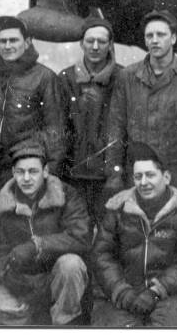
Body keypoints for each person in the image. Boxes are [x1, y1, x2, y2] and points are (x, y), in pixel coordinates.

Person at [92, 143, 177, 327]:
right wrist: (122, 292)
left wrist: (156, 290)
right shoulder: (118, 209)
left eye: (150, 175)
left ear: (167, 177)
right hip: (127, 292)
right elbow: (102, 255)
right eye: (138, 177)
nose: (144, 182)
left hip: (171, 294)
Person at [105, 9, 177, 202]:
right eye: (149, 36)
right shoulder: (128, 77)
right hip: (139, 175)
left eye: (161, 35)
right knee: (137, 228)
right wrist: (114, 175)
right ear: (145, 40)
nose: (155, 40)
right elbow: (116, 128)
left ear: (173, 38)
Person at [0, 139, 92, 325]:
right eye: (20, 172)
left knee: (71, 265)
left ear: (46, 172)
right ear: (13, 173)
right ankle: (38, 319)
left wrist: (38, 245)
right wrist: (7, 276)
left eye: (33, 171)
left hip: (57, 277)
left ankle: (64, 321)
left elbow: (81, 237)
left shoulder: (67, 195)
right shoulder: (4, 203)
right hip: (24, 282)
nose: (26, 178)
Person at [0, 15, 64, 202]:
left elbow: (55, 129)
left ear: (27, 42)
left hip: (26, 168)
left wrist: (52, 174)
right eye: (2, 41)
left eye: (13, 40)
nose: (7, 46)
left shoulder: (44, 77)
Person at [58, 16, 122, 223]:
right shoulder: (66, 78)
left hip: (109, 177)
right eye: (89, 41)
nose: (95, 47)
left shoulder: (123, 78)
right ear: (81, 44)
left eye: (102, 42)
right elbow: (58, 127)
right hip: (73, 174)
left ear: (110, 45)